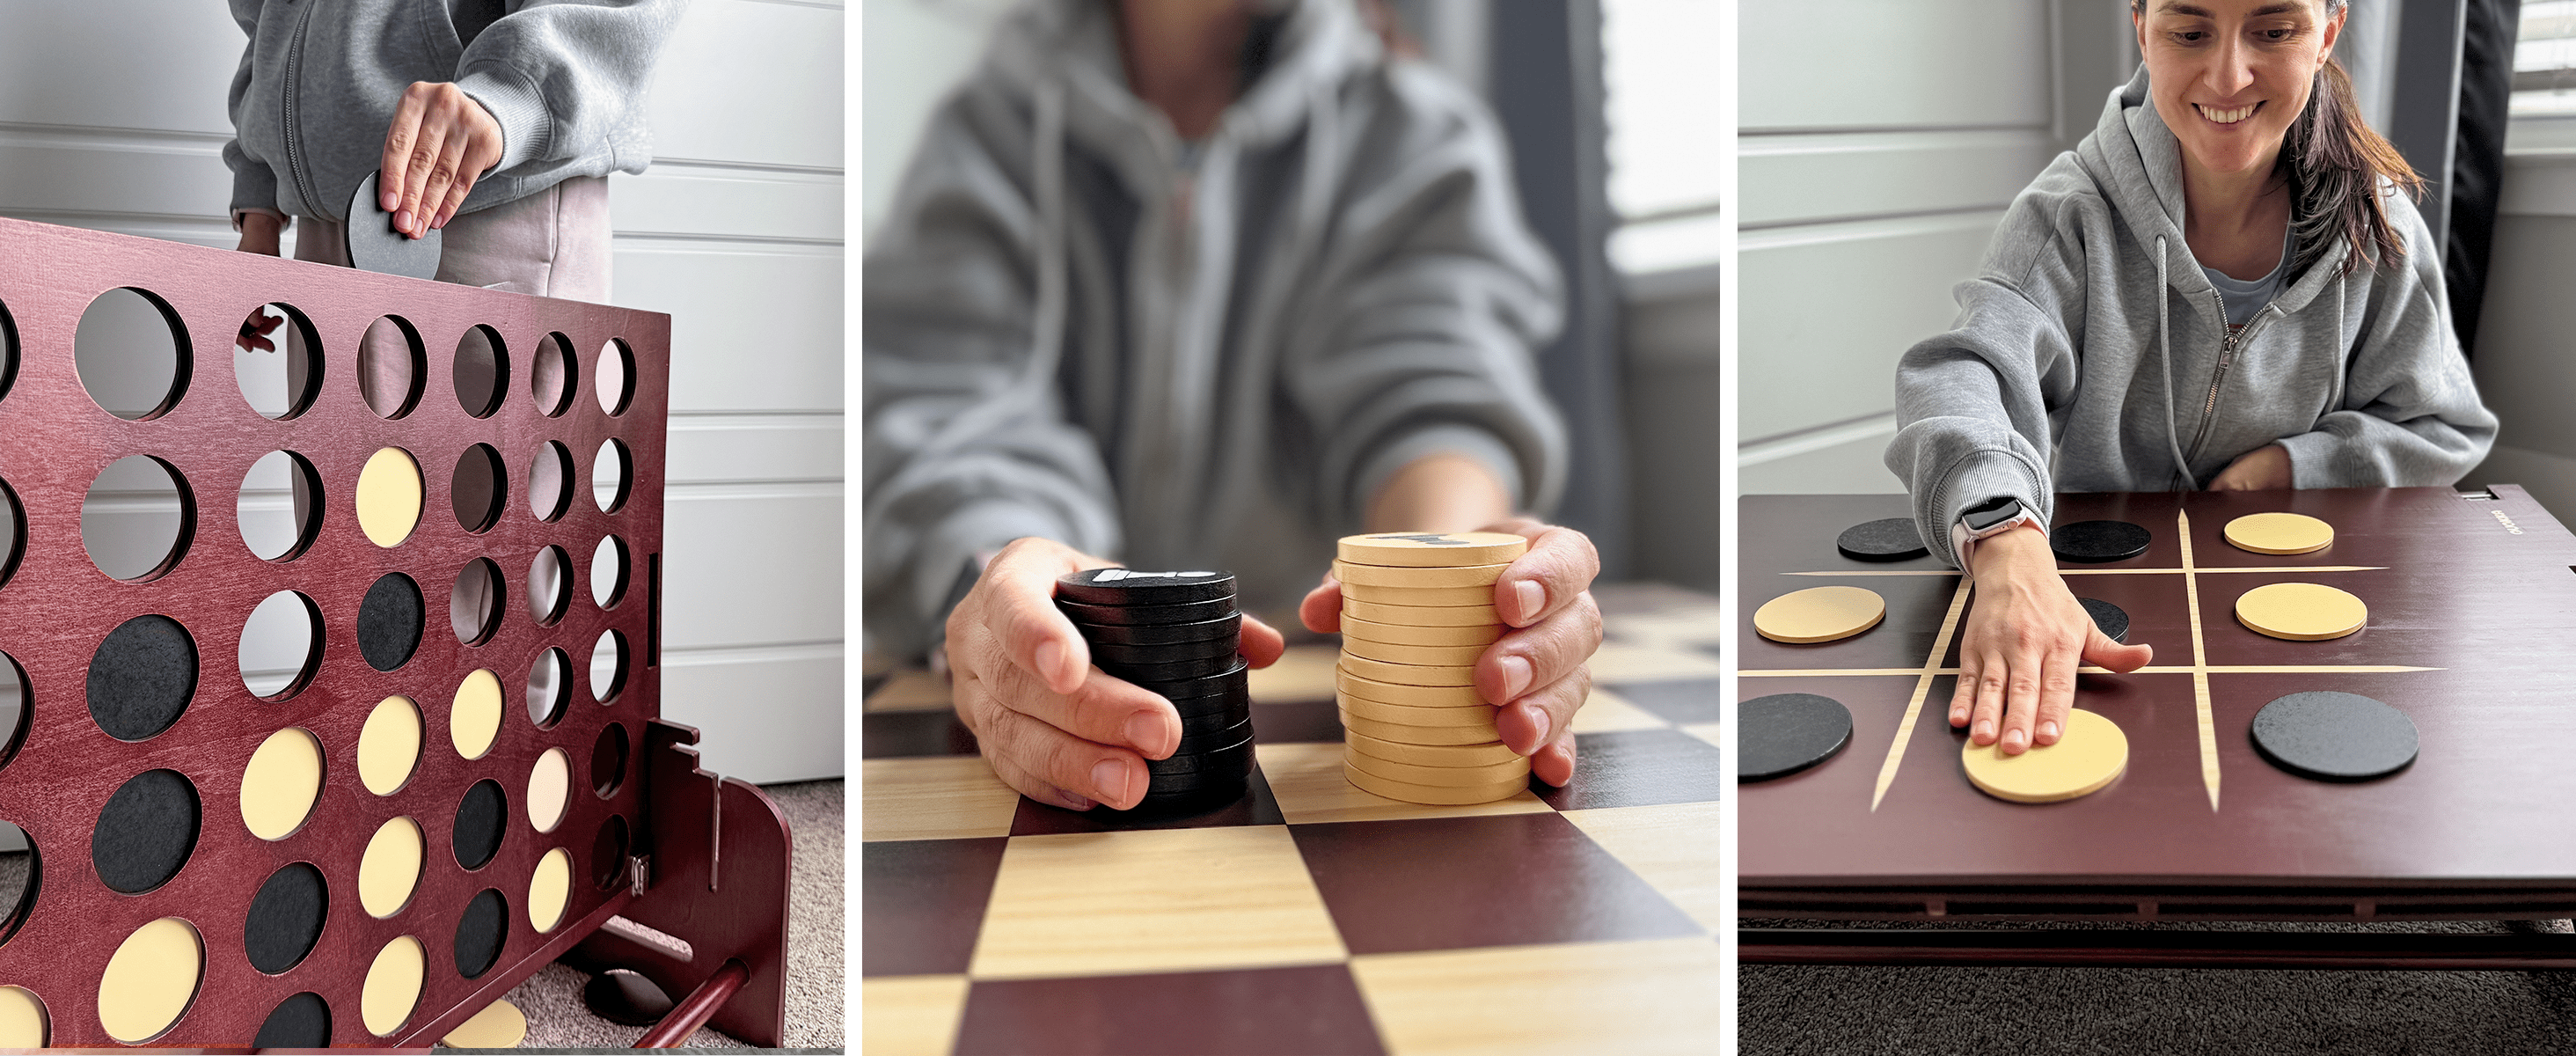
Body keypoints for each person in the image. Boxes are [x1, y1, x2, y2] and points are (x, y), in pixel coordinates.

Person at [865, 0, 1605, 811]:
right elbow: (948, 410)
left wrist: (1462, 575)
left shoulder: (1413, 127)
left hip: (1306, 689)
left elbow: (1434, 390)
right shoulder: (986, 132)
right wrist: (1006, 593)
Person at [1886, 0, 2497, 757]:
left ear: (2328, 33)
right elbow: (1960, 374)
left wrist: (2292, 465)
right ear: (2140, 28)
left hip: (2305, 616)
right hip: (2103, 597)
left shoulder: (2380, 227)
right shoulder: (2068, 214)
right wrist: (2004, 542)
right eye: (2189, 31)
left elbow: (2440, 427)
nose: (2229, 75)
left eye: (2273, 32)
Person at [223, 0, 684, 302]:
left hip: (484, 206)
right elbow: (269, 29)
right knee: (334, 453)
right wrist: (261, 205)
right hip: (320, 245)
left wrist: (509, 95)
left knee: (503, 449)